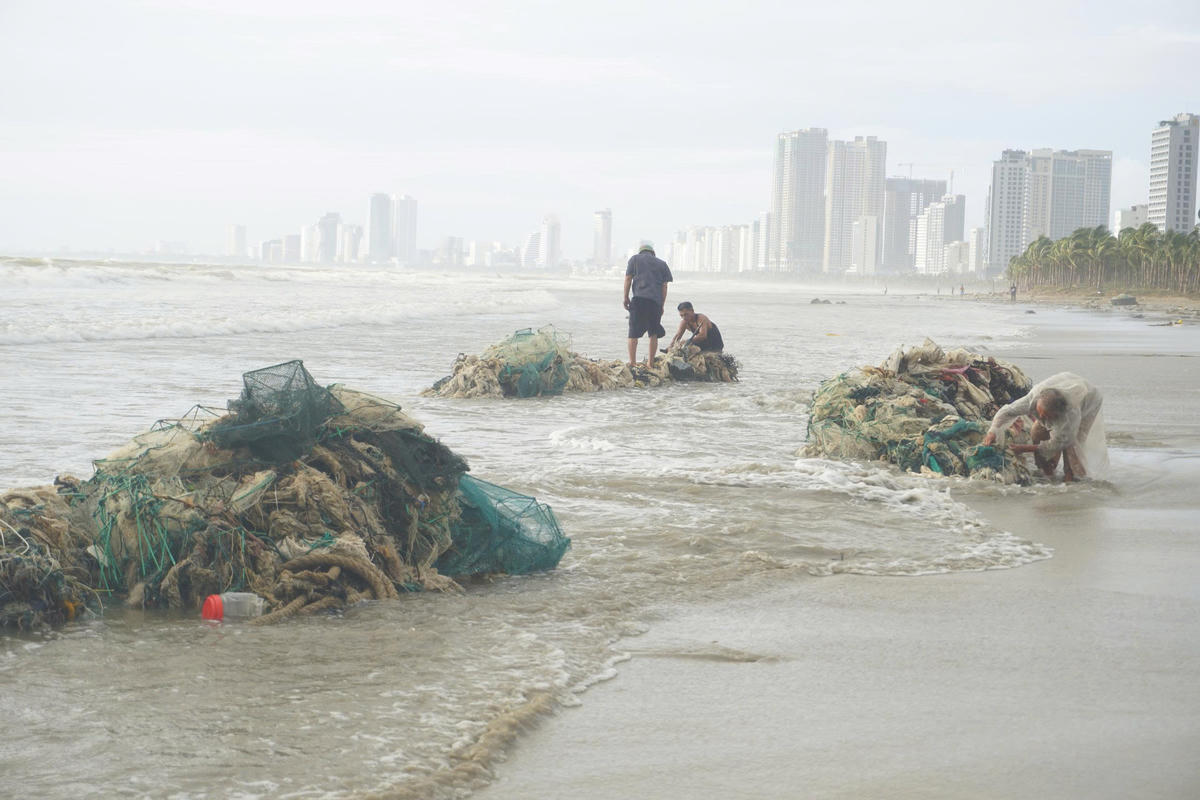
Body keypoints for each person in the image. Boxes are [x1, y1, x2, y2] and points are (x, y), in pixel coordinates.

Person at [982, 372, 1107, 481]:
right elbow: (1007, 412)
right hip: (1063, 385)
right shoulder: (1034, 398)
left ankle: (1073, 483)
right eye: (1039, 413)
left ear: (1057, 414)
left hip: (1090, 400)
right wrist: (993, 431)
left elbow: (1059, 443)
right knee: (1036, 432)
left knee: (1072, 449)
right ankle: (1048, 470)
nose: (1041, 418)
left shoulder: (1070, 415)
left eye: (1047, 416)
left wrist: (1024, 448)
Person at [623, 242, 672, 367]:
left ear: (641, 252)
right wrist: (661, 305)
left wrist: (625, 297)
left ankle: (633, 363)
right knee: (653, 333)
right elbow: (664, 286)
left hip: (638, 300)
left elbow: (628, 278)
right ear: (653, 253)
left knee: (633, 333)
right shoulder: (662, 264)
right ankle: (650, 363)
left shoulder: (634, 259)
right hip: (655, 302)